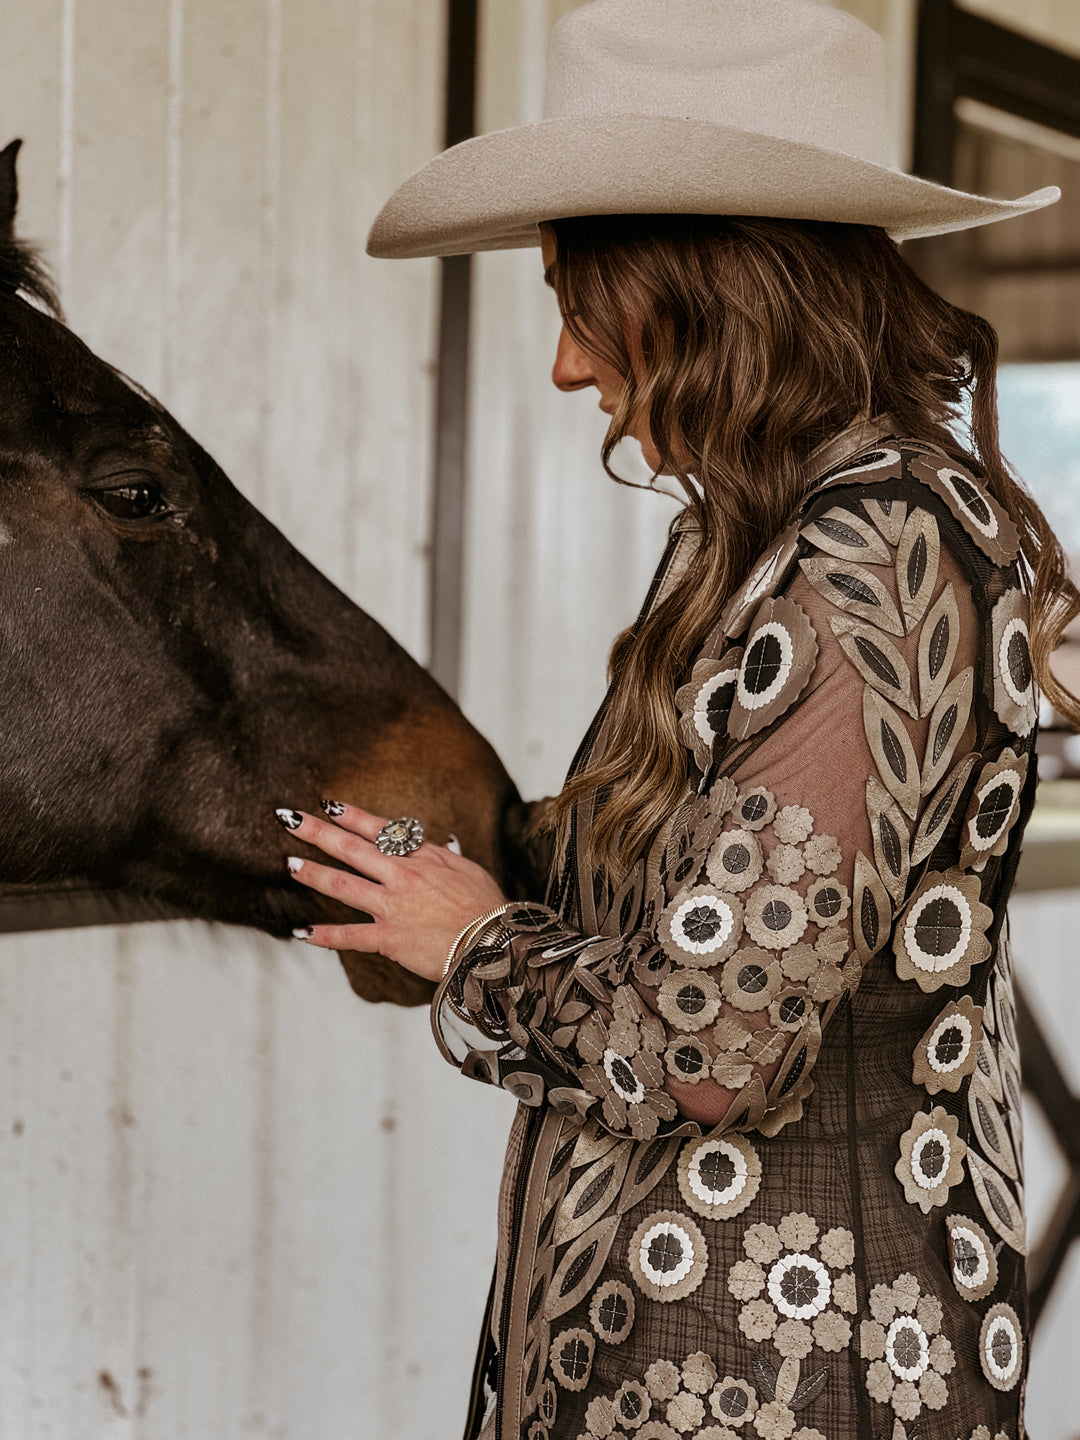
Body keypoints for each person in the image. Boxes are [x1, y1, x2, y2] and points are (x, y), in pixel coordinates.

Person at [277, 2, 1078, 1436]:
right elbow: (678, 902)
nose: (567, 368)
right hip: (672, 1362)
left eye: (576, 303)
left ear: (702, 287)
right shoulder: (777, 541)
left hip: (782, 1378)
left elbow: (706, 1048)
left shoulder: (876, 554)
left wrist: (469, 943)